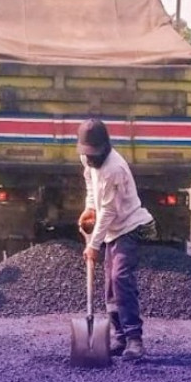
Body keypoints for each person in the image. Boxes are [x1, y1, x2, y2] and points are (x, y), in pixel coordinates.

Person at [77, 118, 157, 361]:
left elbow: (109, 211)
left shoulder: (114, 168)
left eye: (95, 153)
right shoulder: (88, 158)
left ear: (105, 146)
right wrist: (89, 208)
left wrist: (93, 245)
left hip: (131, 225)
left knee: (120, 276)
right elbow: (91, 187)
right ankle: (120, 336)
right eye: (87, 153)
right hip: (112, 229)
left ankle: (135, 340)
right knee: (110, 284)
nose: (91, 158)